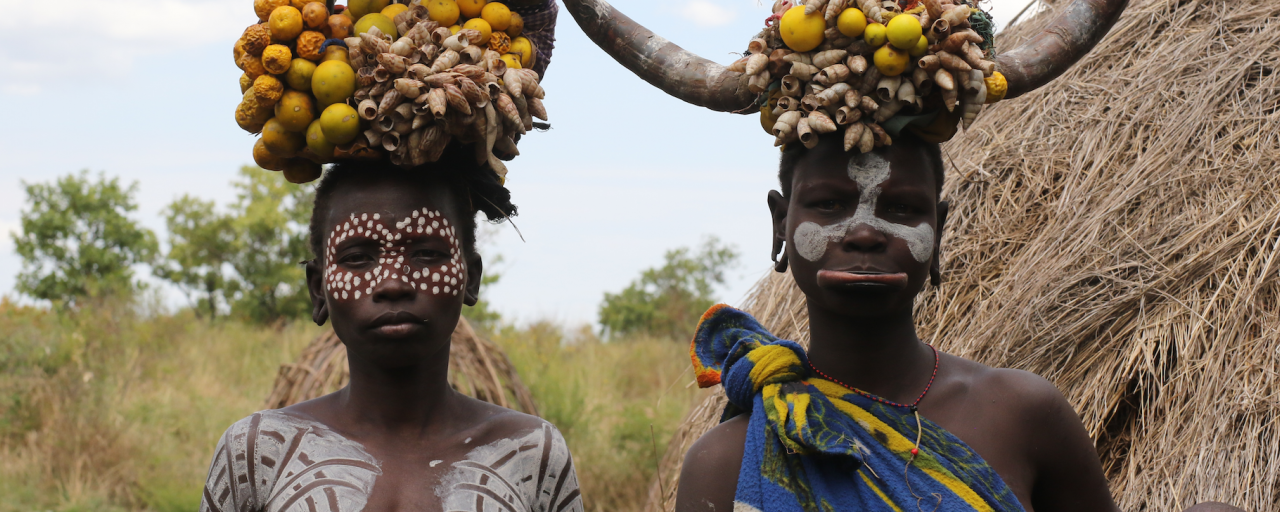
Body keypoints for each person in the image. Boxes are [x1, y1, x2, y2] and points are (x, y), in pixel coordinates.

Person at [674, 133, 1243, 512]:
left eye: (902, 209)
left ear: (938, 229)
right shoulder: (723, 464)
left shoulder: (1021, 414)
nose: (866, 232)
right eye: (828, 204)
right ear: (780, 223)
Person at [198, 153, 583, 512]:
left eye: (427, 254)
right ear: (319, 289)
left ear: (470, 278)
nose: (393, 283)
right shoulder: (257, 452)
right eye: (357, 258)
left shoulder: (530, 454)